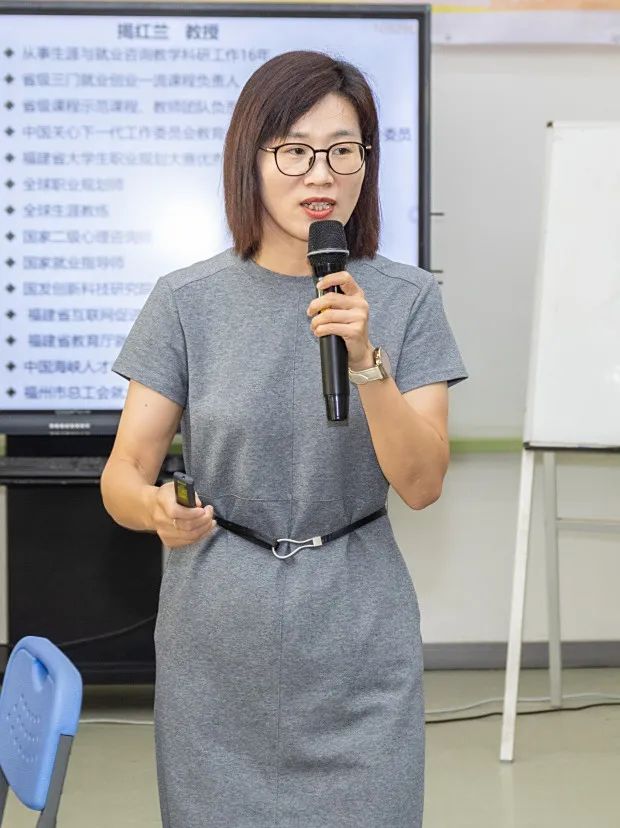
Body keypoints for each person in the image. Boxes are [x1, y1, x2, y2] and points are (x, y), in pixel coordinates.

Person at [101, 50, 468, 828]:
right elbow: (124, 471)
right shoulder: (185, 301)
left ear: (367, 161)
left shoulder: (407, 299)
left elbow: (423, 483)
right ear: (252, 158)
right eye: (295, 150)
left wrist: (366, 362)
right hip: (216, 642)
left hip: (358, 636)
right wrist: (154, 509)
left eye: (343, 150)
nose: (320, 174)